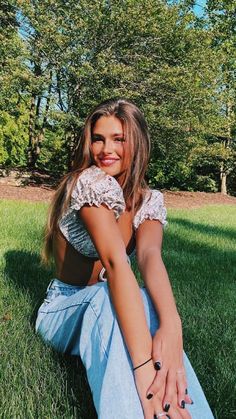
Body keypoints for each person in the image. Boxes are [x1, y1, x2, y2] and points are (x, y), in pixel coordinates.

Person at [35, 98, 214, 419]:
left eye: (119, 139)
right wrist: (144, 367)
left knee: (148, 303)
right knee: (107, 297)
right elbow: (117, 262)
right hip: (64, 308)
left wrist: (172, 327)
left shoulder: (148, 200)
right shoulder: (87, 184)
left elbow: (149, 257)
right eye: (98, 138)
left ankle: (185, 410)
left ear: (138, 143)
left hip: (112, 299)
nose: (106, 149)